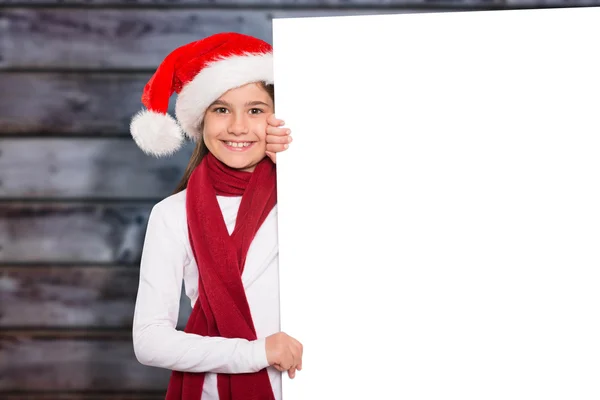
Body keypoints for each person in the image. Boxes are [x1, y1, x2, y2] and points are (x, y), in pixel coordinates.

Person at [129, 32, 301, 400]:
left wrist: (300, 166)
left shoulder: (307, 198)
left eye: (256, 110)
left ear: (276, 119)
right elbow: (149, 340)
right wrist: (257, 353)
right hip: (215, 392)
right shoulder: (171, 215)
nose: (238, 126)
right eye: (221, 109)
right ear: (200, 122)